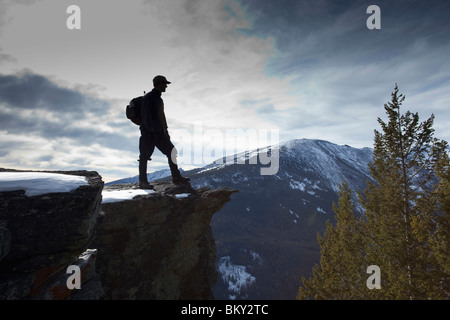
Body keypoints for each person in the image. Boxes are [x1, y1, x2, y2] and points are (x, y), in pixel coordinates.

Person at [138, 75, 190, 189]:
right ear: (159, 83)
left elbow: (161, 116)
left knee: (172, 151)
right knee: (145, 156)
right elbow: (146, 115)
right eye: (164, 83)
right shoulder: (149, 97)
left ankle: (176, 177)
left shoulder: (159, 98)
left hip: (159, 132)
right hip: (149, 132)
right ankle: (143, 182)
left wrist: (165, 131)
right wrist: (151, 130)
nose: (166, 86)